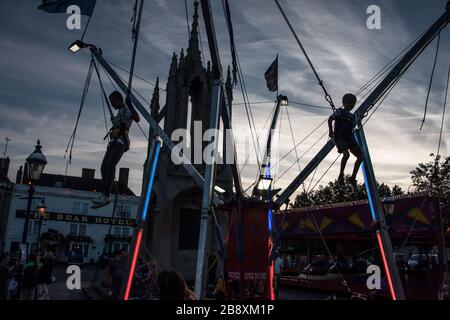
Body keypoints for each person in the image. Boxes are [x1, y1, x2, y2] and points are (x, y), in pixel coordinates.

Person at [92, 91, 140, 209]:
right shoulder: (119, 112)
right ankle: (104, 193)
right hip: (113, 142)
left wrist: (130, 105)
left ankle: (107, 195)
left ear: (119, 100)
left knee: (110, 164)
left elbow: (137, 118)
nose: (112, 105)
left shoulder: (127, 109)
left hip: (120, 142)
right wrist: (115, 121)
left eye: (113, 102)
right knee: (104, 167)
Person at [328, 93, 363, 188]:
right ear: (344, 103)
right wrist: (331, 131)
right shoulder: (339, 112)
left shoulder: (352, 116)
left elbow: (352, 127)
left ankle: (352, 178)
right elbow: (330, 119)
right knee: (346, 154)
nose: (351, 105)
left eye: (353, 103)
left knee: (361, 157)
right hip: (340, 137)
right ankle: (341, 175)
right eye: (350, 102)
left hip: (349, 138)